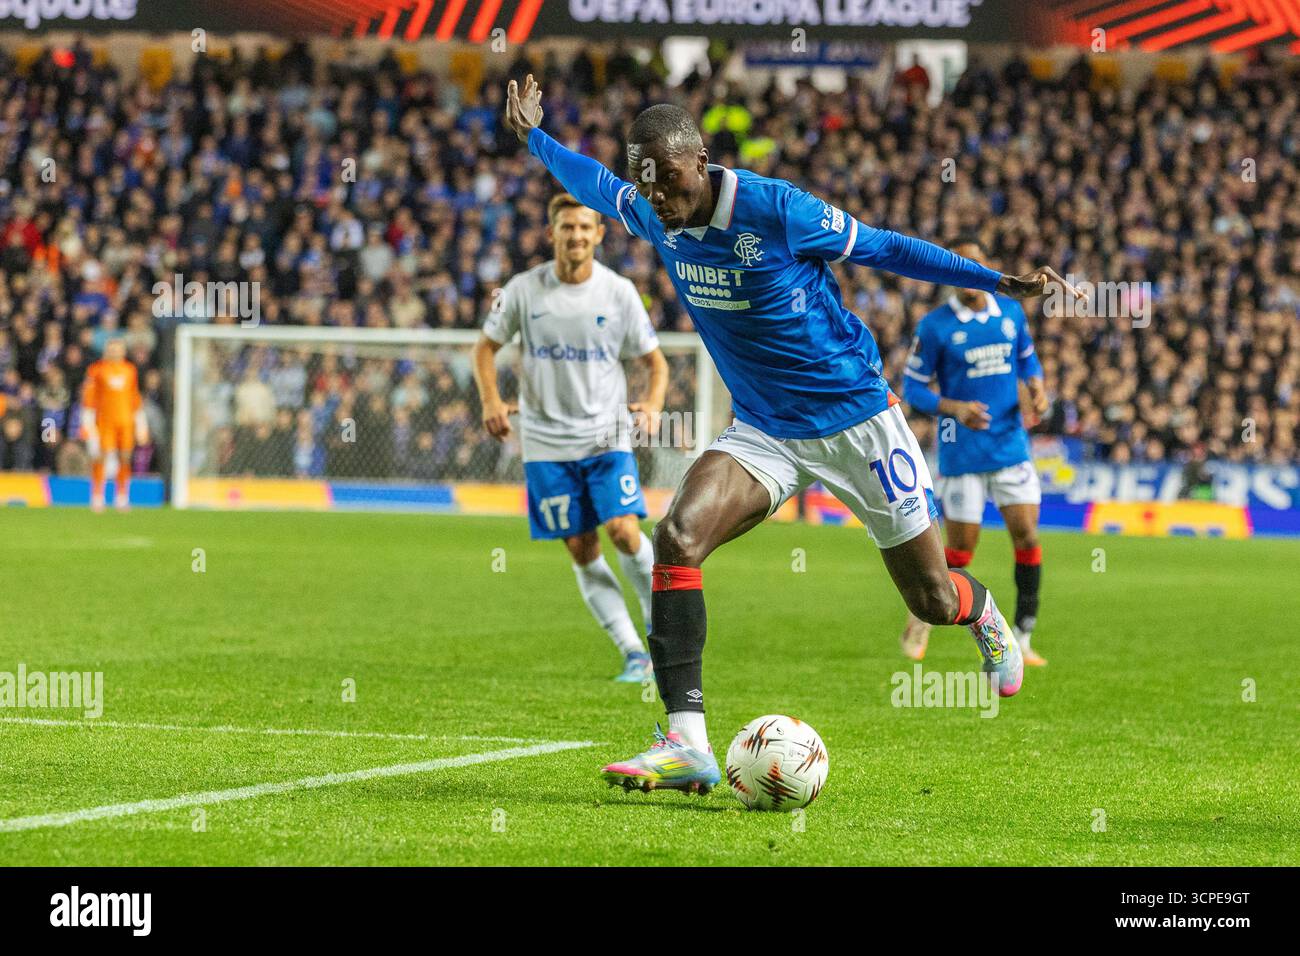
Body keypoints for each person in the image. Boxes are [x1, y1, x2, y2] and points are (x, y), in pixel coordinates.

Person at [503, 75, 1081, 794]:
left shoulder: (776, 209)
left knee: (931, 599)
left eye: (671, 181)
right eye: (646, 185)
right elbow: (590, 182)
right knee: (677, 536)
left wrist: (997, 281)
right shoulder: (653, 212)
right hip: (764, 430)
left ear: (700, 160)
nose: (657, 198)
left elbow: (884, 248)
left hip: (857, 421)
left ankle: (984, 611)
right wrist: (534, 137)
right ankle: (687, 743)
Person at [473, 191, 669, 683]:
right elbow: (484, 349)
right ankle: (633, 653)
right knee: (581, 547)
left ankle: (661, 631)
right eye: (567, 228)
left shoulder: (619, 292)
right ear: (552, 233)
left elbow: (655, 363)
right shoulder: (522, 290)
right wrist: (491, 401)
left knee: (623, 530)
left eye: (585, 227)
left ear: (599, 235)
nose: (576, 235)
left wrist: (653, 405)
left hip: (606, 435)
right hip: (544, 442)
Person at [900, 237, 1050, 666]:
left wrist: (1037, 388)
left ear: (986, 266)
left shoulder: (1010, 312)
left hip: (1010, 446)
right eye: (959, 265)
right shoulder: (934, 326)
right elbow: (912, 389)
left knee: (1028, 538)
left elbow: (1028, 362)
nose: (968, 272)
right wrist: (954, 408)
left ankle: (1022, 634)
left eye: (975, 263)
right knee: (961, 552)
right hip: (962, 453)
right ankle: (922, 616)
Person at [81, 338, 148, 512]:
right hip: (104, 421)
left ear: (124, 352)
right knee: (100, 457)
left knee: (125, 457)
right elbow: (89, 397)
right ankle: (97, 496)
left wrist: (141, 424)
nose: (115, 352)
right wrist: (88, 422)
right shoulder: (96, 370)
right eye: (112, 349)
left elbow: (134, 397)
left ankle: (122, 496)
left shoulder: (130, 370)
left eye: (118, 349)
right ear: (106, 351)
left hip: (125, 422)